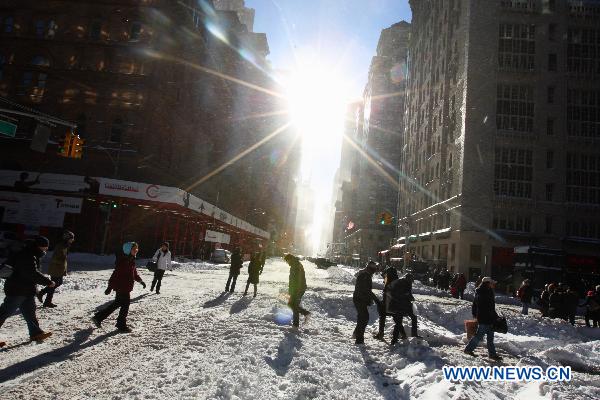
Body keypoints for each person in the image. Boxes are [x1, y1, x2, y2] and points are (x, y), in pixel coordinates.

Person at [0, 236, 54, 343]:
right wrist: (48, 282)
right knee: (5, 312)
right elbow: (32, 273)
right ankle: (36, 333)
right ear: (39, 246)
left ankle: (36, 333)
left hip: (26, 290)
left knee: (30, 312)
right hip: (17, 289)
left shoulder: (31, 254)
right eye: (45, 248)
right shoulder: (27, 255)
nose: (46, 250)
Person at [92, 242, 146, 333]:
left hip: (125, 287)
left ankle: (98, 317)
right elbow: (115, 275)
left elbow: (134, 274)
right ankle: (121, 324)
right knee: (125, 305)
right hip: (122, 287)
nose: (136, 251)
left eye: (137, 249)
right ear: (128, 250)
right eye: (134, 249)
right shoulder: (123, 261)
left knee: (117, 304)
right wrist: (109, 287)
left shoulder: (131, 260)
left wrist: (141, 281)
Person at [464, 277, 502, 361]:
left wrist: (475, 314)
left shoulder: (483, 291)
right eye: (492, 283)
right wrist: (494, 316)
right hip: (485, 318)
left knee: (489, 337)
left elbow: (475, 305)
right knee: (479, 336)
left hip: (486, 318)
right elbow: (487, 307)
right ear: (487, 283)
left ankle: (492, 354)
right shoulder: (485, 292)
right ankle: (468, 349)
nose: (493, 284)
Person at [38, 231, 74, 308]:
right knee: (54, 284)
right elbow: (55, 258)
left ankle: (46, 299)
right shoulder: (60, 246)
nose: (72, 240)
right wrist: (61, 262)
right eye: (71, 238)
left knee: (57, 283)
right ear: (67, 238)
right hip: (55, 268)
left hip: (59, 269)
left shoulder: (65, 246)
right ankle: (42, 295)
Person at [387, 273, 421, 343]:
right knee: (399, 321)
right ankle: (394, 339)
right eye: (411, 280)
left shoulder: (408, 283)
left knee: (414, 317)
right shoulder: (401, 284)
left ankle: (414, 335)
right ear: (408, 279)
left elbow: (408, 293)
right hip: (398, 305)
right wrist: (405, 295)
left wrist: (411, 297)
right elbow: (397, 294)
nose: (411, 282)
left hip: (405, 304)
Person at [352, 261, 380, 345]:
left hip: (360, 299)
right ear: (370, 269)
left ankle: (356, 334)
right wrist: (376, 300)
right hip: (359, 299)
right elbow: (366, 290)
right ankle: (359, 340)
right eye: (373, 270)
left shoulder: (366, 275)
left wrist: (369, 299)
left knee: (362, 318)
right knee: (364, 318)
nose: (374, 272)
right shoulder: (365, 276)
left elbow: (366, 290)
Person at [284, 254, 310, 328]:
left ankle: (296, 324)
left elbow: (298, 279)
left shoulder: (296, 265)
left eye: (287, 261)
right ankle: (305, 314)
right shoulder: (295, 264)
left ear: (289, 259)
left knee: (293, 305)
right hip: (296, 289)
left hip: (298, 289)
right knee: (291, 304)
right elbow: (292, 279)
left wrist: (296, 290)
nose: (287, 263)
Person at [374, 264, 399, 340]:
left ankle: (381, 334)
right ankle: (400, 335)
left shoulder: (388, 278)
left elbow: (387, 289)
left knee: (382, 315)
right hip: (395, 303)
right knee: (397, 320)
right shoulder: (396, 279)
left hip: (388, 302)